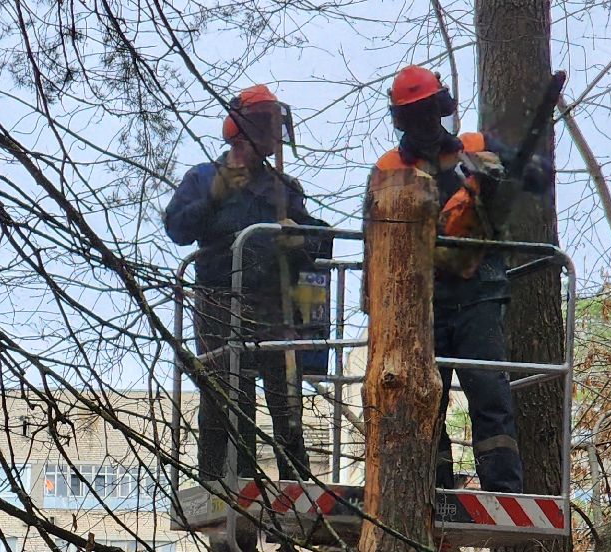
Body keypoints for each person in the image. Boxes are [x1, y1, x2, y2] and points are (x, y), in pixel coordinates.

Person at [371, 66, 552, 493]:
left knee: (488, 388)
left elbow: (539, 175)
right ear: (402, 120)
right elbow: (374, 242)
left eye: (428, 112)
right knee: (422, 399)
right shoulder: (389, 168)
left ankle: (503, 486)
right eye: (413, 116)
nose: (423, 123)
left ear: (442, 108)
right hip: (418, 301)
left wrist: (500, 171)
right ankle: (426, 487)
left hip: (479, 291)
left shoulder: (476, 147)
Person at [164, 84, 334, 489]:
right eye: (265, 129)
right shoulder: (204, 177)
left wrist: (300, 240)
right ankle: (221, 486)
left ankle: (297, 488)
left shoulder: (283, 188)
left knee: (286, 402)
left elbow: (316, 241)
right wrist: (213, 197)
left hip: (274, 307)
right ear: (245, 130)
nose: (271, 140)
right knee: (226, 397)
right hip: (220, 304)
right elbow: (178, 228)